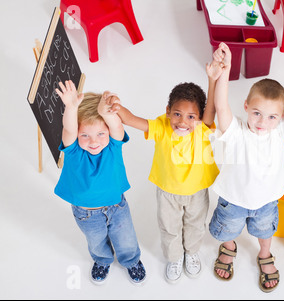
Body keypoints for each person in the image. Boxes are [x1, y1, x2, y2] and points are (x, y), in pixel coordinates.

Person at [115, 61, 221, 284]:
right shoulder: (162, 126)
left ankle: (191, 253)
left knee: (195, 226)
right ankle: (174, 257)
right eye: (177, 114)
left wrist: (212, 79)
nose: (183, 122)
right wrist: (117, 108)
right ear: (167, 112)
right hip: (167, 192)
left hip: (197, 192)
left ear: (200, 118)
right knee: (169, 228)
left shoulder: (202, 130)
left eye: (191, 116)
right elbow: (132, 120)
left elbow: (211, 109)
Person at [207, 42, 284, 293]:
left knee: (265, 231)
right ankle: (229, 247)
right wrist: (225, 70)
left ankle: (265, 254)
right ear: (246, 106)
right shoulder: (235, 131)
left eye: (271, 117)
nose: (262, 122)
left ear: (280, 117)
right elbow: (221, 106)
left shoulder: (280, 131)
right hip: (233, 200)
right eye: (257, 113)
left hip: (266, 202)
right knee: (228, 229)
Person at [54, 80, 146, 285]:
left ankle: (131, 261)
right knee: (96, 242)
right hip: (86, 214)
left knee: (126, 240)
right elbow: (68, 129)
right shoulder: (74, 151)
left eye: (100, 134)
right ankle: (103, 260)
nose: (93, 141)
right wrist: (71, 108)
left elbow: (116, 126)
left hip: (117, 207)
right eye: (85, 135)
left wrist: (106, 114)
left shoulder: (113, 145)